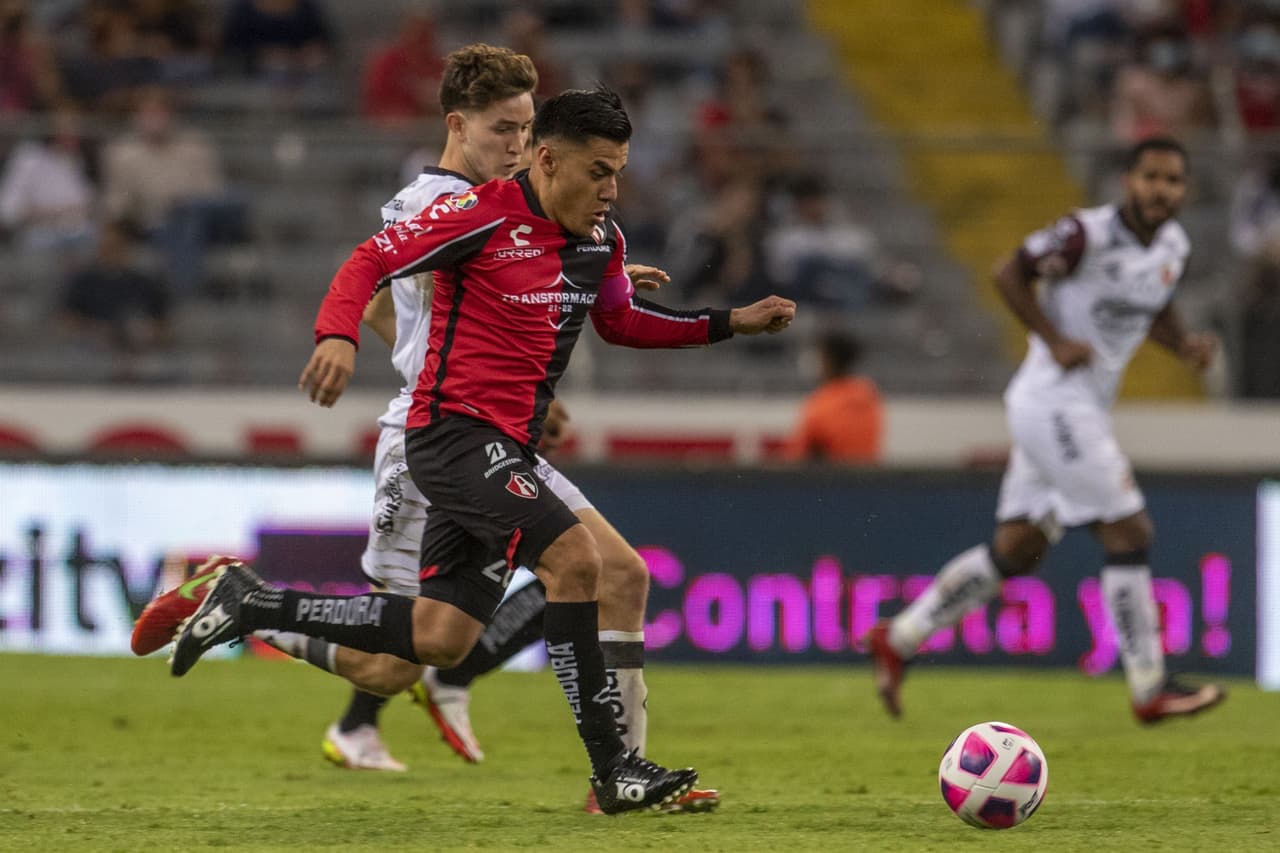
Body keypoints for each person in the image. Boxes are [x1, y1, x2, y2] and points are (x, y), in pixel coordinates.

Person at [167, 84, 796, 814]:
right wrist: (335, 335)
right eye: (598, 172)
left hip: (509, 449)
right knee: (579, 561)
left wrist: (727, 323)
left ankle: (252, 601)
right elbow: (369, 262)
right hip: (451, 436)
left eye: (618, 172)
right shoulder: (480, 215)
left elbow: (623, 324)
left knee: (436, 640)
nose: (611, 190)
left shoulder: (601, 241)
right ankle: (615, 769)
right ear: (549, 160)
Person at [863, 136, 1226, 725]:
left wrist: (1181, 343)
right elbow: (1008, 271)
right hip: (1055, 402)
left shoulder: (1173, 245)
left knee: (1018, 549)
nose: (1162, 190)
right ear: (1128, 181)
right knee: (1129, 530)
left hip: (1073, 409)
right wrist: (1053, 340)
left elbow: (1153, 304)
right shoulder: (1085, 234)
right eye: (1152, 177)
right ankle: (1150, 686)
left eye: (1174, 180)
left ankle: (900, 637)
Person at [784, 331, 881, 464]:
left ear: (829, 360)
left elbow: (800, 455)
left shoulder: (821, 404)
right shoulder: (868, 393)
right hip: (867, 479)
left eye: (818, 356)